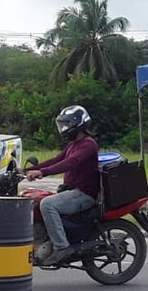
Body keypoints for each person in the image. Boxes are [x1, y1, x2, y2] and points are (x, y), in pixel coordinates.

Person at [25, 105, 99, 264]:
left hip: (84, 194)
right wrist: (26, 170)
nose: (64, 128)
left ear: (78, 124)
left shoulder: (88, 144)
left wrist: (43, 172)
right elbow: (56, 160)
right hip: (71, 191)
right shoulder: (73, 145)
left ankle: (61, 247)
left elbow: (70, 163)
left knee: (47, 204)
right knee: (33, 199)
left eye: (67, 124)